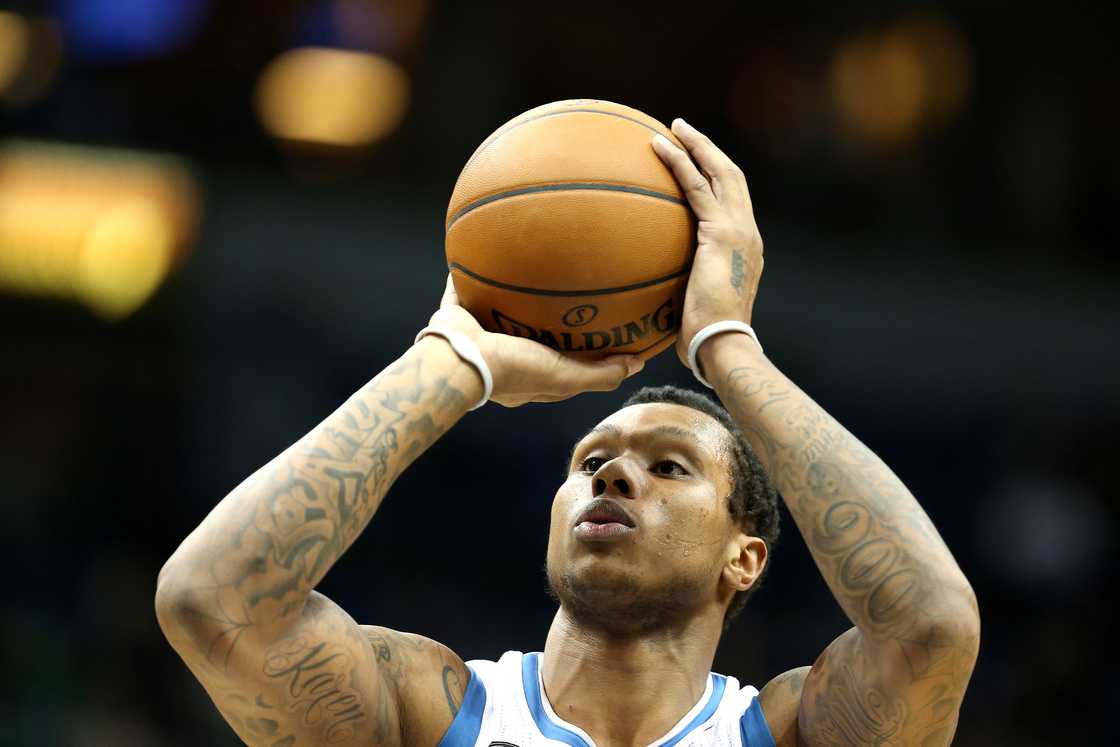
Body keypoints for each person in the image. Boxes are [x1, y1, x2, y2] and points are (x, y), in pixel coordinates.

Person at [155, 119, 980, 747]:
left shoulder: (786, 728)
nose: (615, 477)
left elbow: (933, 628)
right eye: (593, 459)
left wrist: (726, 345)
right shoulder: (428, 710)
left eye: (669, 466)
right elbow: (212, 600)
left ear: (746, 555)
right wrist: (451, 361)